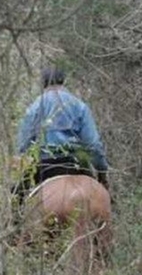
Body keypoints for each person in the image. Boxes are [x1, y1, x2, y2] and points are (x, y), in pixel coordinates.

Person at [13, 66, 109, 204]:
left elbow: (24, 145)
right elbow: (93, 144)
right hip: (76, 162)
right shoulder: (79, 105)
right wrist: (101, 170)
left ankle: (15, 222)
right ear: (63, 81)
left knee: (16, 197)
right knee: (102, 200)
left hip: (44, 164)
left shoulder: (34, 108)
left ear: (43, 82)